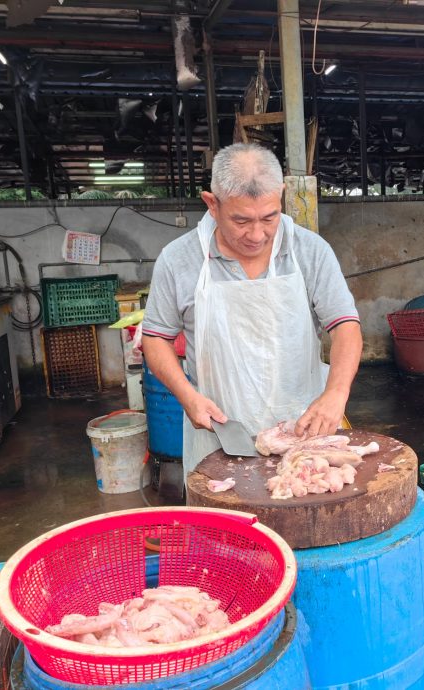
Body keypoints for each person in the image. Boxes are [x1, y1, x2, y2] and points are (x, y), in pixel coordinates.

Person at [142, 143, 362, 478]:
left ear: (281, 196)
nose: (257, 235)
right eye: (241, 220)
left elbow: (345, 325)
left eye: (269, 217)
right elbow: (155, 338)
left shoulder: (310, 251)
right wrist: (187, 396)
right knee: (223, 527)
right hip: (218, 436)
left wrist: (336, 392)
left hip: (303, 433)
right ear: (212, 205)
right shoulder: (178, 260)